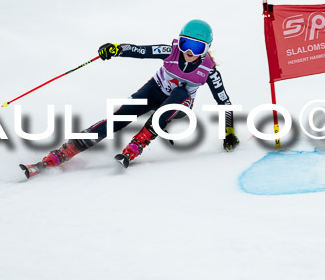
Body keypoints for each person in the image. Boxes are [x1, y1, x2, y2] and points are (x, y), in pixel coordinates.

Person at [20, 19, 239, 178]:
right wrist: (115, 49)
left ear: (206, 49)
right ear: (179, 42)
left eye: (197, 47)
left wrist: (229, 132)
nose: (189, 52)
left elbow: (224, 102)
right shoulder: (170, 52)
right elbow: (140, 50)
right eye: (185, 44)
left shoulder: (209, 71)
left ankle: (137, 145)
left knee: (181, 93)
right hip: (153, 91)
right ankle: (65, 151)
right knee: (119, 118)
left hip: (178, 105)